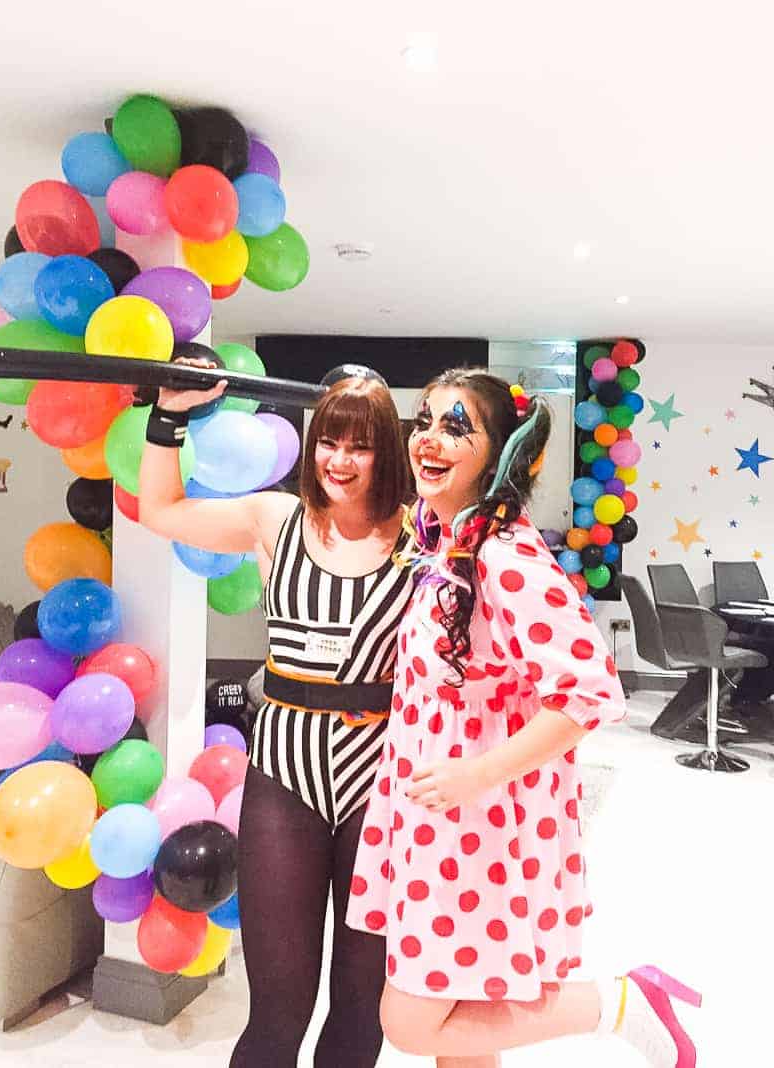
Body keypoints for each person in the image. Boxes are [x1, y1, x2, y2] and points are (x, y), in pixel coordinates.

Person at [347, 368, 701, 1068]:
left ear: (498, 453)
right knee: (464, 1016)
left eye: (456, 427)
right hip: (438, 815)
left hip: (474, 828)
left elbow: (588, 693)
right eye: (424, 422)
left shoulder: (503, 557)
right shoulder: (446, 546)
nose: (429, 439)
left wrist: (475, 775)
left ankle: (620, 1003)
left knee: (412, 1023)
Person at [138, 368, 414, 1067]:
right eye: (328, 441)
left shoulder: (421, 538)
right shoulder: (275, 518)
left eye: (360, 446)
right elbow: (160, 509)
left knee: (362, 1007)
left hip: (384, 780)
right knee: (278, 1010)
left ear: (387, 450)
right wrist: (168, 418)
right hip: (285, 775)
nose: (339, 461)